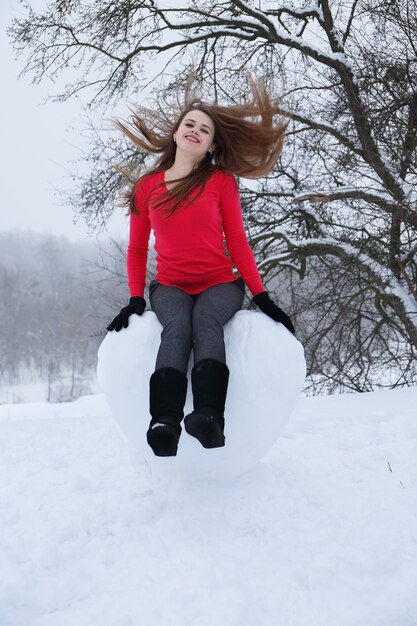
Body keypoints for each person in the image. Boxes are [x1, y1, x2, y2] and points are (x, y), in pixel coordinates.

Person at [107, 80, 295, 457]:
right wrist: (134, 298)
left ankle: (210, 417)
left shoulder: (221, 182)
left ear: (211, 146)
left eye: (205, 130)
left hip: (219, 284)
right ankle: (164, 423)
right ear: (176, 133)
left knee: (205, 322)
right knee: (177, 327)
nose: (195, 131)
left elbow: (238, 242)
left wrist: (261, 295)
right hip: (170, 285)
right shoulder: (147, 187)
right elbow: (138, 248)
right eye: (190, 125)